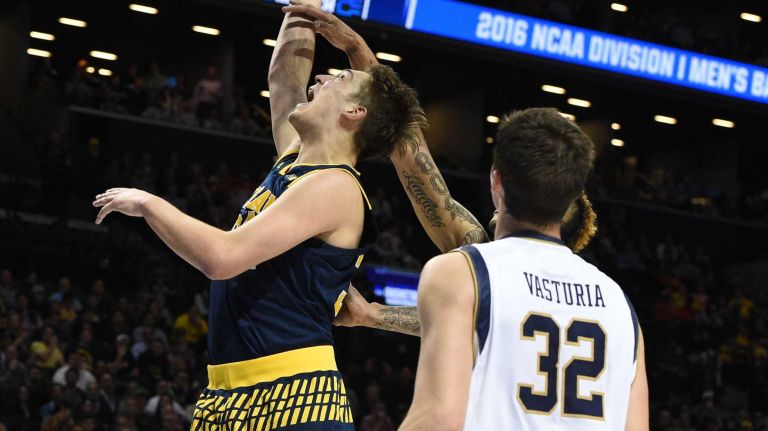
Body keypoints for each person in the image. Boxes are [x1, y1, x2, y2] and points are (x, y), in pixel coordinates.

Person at [91, 0, 426, 429]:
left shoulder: (336, 186)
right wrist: (306, 9)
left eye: (339, 78)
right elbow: (284, 76)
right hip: (230, 390)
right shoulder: (297, 162)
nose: (320, 78)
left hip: (294, 392)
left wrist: (148, 204)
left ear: (353, 113)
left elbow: (223, 258)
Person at [282, 1, 599, 337]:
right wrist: (373, 315)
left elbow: (411, 152)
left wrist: (355, 47)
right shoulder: (601, 298)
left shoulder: (488, 267)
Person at [395, 109, 648, 430]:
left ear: (496, 180)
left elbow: (439, 419)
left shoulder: (463, 272)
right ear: (573, 195)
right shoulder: (619, 304)